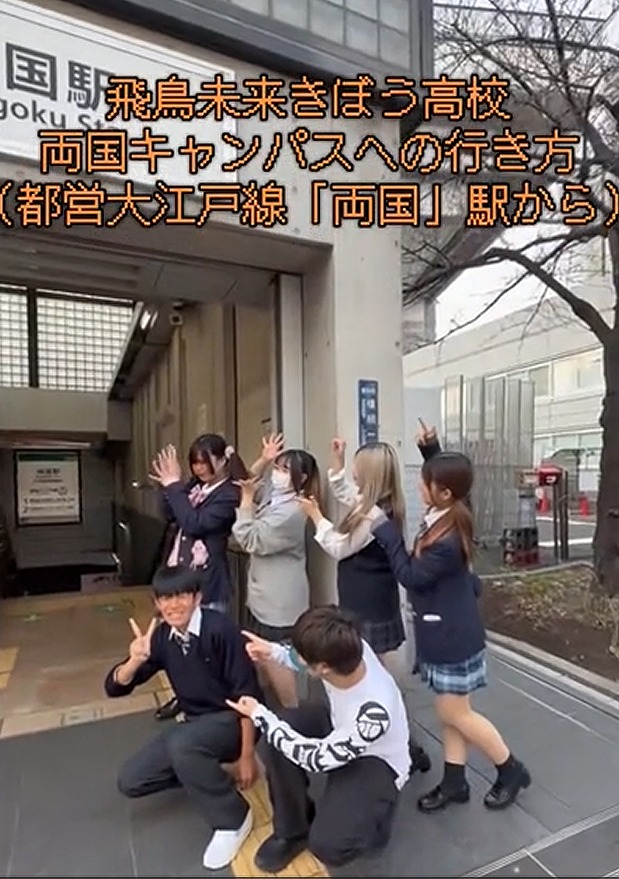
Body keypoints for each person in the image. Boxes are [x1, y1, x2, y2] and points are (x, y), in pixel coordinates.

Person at [370, 450, 531, 814]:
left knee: (456, 714)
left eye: (426, 482)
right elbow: (455, 485)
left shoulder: (447, 539)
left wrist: (387, 533)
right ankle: (455, 781)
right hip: (450, 631)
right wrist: (432, 450)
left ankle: (510, 769)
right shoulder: (452, 510)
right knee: (452, 713)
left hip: (452, 637)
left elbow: (410, 576)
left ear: (444, 492)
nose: (419, 486)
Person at [227, 605, 411, 873]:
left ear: (323, 668)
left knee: (327, 846)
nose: (296, 655)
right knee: (278, 739)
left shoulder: (373, 713)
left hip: (377, 761)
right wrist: (272, 651)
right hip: (340, 725)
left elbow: (314, 758)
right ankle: (292, 831)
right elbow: (303, 660)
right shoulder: (348, 647)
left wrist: (260, 715)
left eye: (301, 654)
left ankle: (377, 818)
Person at [104, 566, 264, 870]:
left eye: (181, 596)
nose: (174, 605)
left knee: (183, 744)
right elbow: (115, 687)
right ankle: (209, 773)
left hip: (232, 720)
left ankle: (233, 819)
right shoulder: (162, 637)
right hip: (195, 728)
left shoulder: (220, 629)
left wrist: (246, 756)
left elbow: (249, 696)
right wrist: (134, 661)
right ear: (157, 603)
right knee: (132, 780)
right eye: (166, 598)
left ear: (197, 598)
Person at [297, 438, 431, 774]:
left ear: (369, 474)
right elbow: (347, 493)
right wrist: (337, 460)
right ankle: (398, 741)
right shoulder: (380, 504)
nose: (353, 472)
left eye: (356, 467)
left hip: (368, 604)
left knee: (373, 678)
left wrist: (316, 517)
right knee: (375, 675)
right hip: (372, 599)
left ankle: (402, 745)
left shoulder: (374, 516)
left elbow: (339, 547)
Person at [150, 435, 249, 720]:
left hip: (206, 582)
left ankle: (214, 706)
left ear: (223, 459)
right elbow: (171, 514)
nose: (199, 468)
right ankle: (185, 697)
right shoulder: (195, 487)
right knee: (178, 647)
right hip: (179, 576)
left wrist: (174, 487)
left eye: (205, 462)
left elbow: (195, 523)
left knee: (207, 648)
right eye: (194, 463)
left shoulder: (230, 493)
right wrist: (168, 486)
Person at [232, 440, 321, 707]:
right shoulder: (278, 495)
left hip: (279, 602)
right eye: (277, 467)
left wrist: (247, 501)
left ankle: (292, 714)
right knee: (262, 657)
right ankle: (275, 711)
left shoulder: (293, 511)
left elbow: (250, 539)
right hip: (263, 597)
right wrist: (264, 459)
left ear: (301, 478)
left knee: (276, 659)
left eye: (284, 470)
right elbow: (247, 482)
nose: (277, 474)